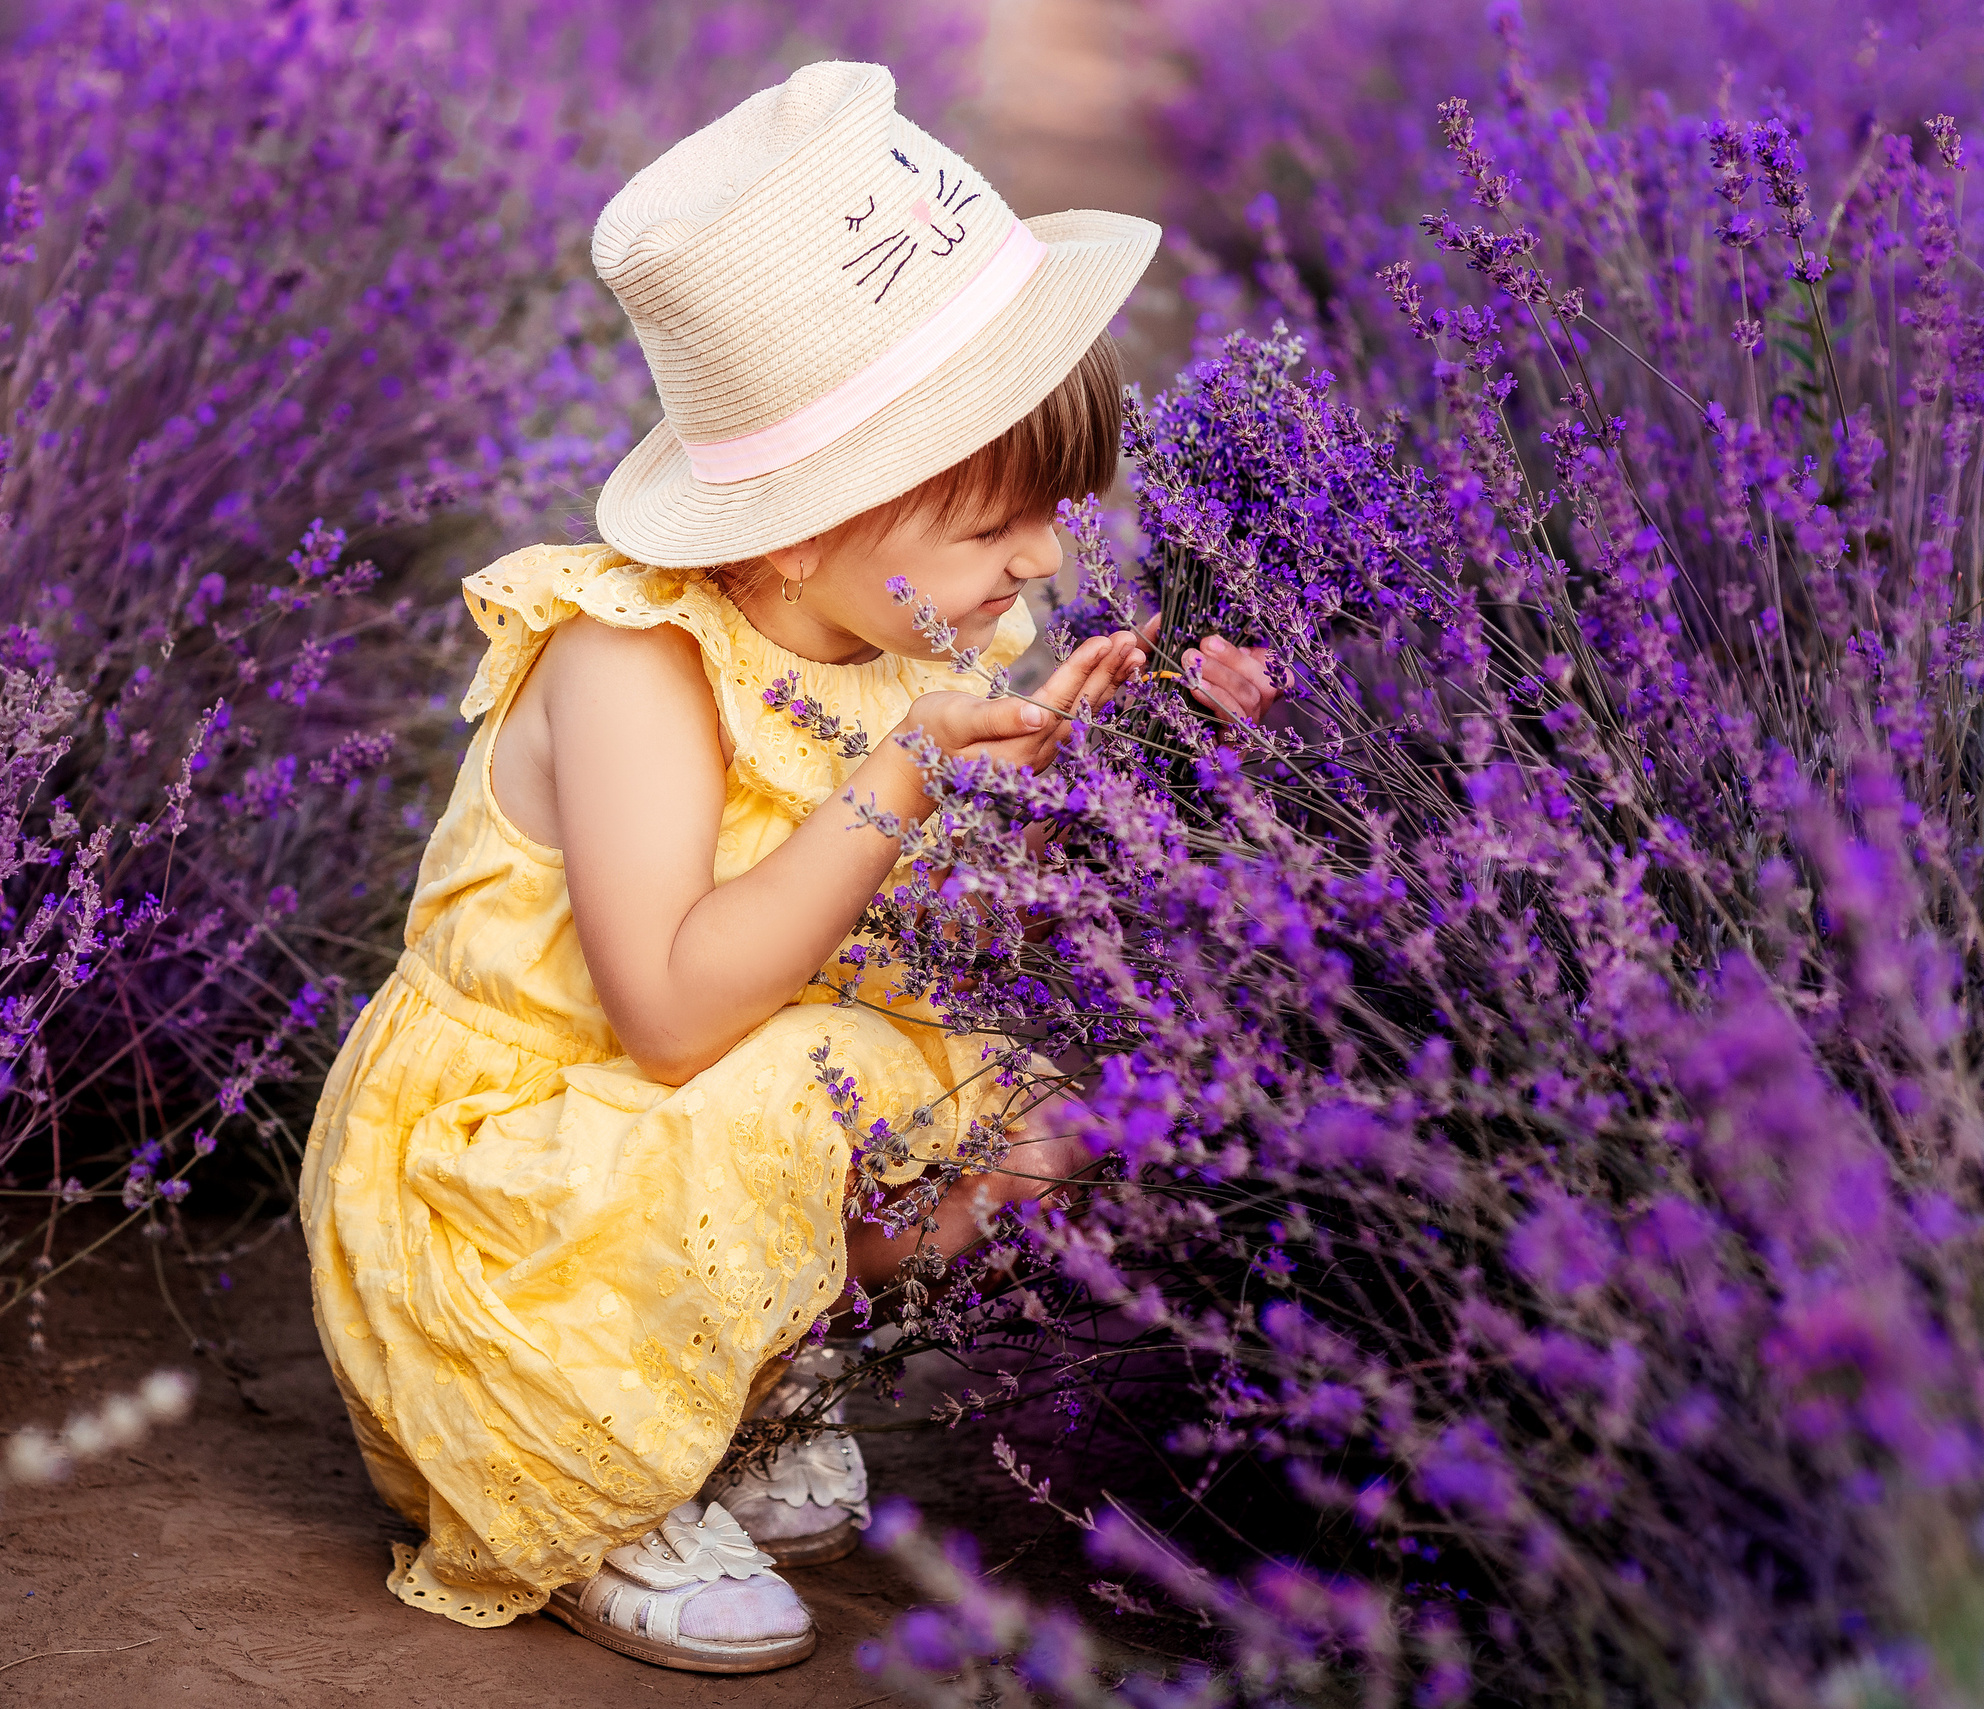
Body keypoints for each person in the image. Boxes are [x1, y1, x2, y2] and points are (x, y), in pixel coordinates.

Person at [300, 61, 1276, 1673]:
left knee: (1031, 1111)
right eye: (1000, 523)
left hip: (682, 1141)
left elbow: (934, 907)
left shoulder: (900, 618)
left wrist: (1124, 734)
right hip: (511, 1201)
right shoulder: (633, 667)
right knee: (813, 1067)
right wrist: (904, 772)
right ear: (794, 532)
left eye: (1054, 512)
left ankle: (744, 1388)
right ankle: (591, 1473)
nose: (1042, 558)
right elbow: (675, 1011)